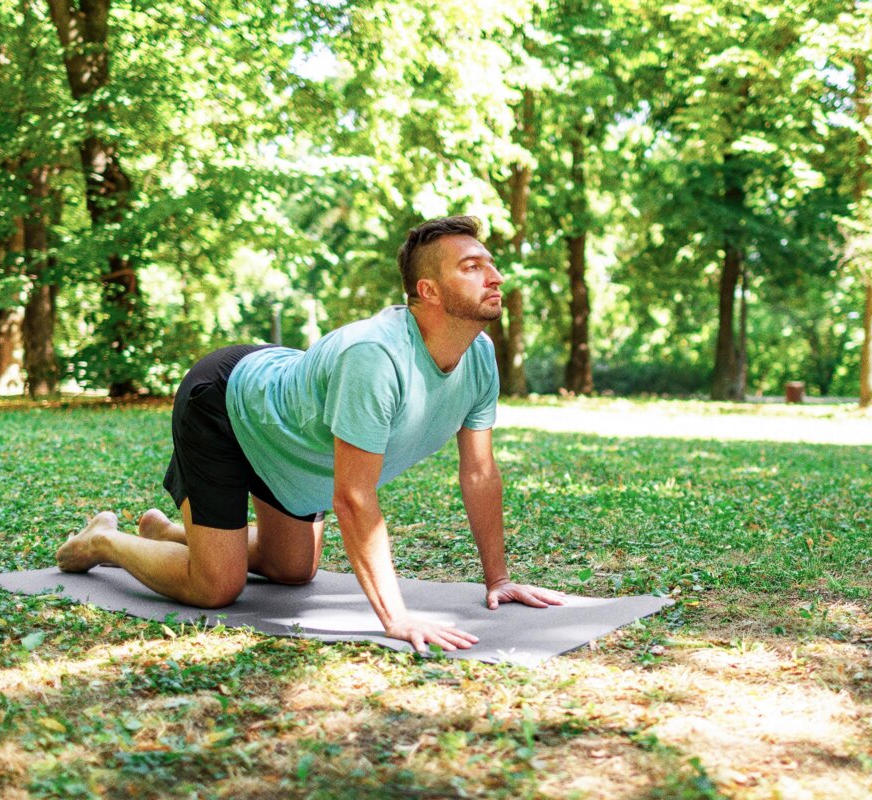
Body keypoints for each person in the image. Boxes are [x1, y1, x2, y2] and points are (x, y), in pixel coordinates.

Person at [56, 215, 565, 653]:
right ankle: (105, 540)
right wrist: (396, 619)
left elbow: (479, 473)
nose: (495, 276)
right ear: (428, 290)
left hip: (288, 429)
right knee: (216, 588)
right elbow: (353, 496)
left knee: (293, 570)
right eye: (472, 267)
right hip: (227, 405)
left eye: (490, 263)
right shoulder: (375, 357)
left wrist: (498, 579)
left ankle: (169, 534)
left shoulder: (478, 357)